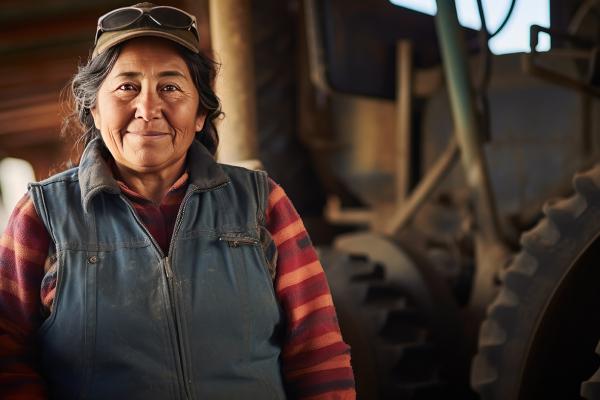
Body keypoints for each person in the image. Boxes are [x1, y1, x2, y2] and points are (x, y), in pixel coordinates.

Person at [0, 3, 355, 399]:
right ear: (94, 109)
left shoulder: (260, 202)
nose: (148, 109)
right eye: (126, 87)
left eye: (170, 87)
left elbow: (318, 353)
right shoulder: (44, 215)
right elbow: (8, 356)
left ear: (201, 112)